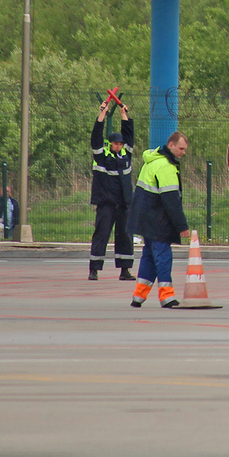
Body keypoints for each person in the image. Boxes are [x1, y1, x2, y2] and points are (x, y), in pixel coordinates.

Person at [128, 131, 190, 308]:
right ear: (171, 145)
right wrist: (181, 226)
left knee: (149, 255)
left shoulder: (152, 161)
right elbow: (171, 201)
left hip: (144, 217)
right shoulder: (166, 166)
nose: (183, 153)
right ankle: (167, 296)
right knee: (163, 256)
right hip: (157, 219)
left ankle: (139, 296)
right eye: (181, 149)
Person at [88, 97, 136, 281]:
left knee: (125, 236)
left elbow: (129, 134)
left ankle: (125, 270)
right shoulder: (102, 156)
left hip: (124, 204)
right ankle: (94, 269)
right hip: (106, 204)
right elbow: (95, 137)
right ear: (110, 143)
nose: (119, 145)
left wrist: (124, 114)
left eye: (121, 143)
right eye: (116, 143)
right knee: (101, 235)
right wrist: (103, 113)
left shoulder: (126, 156)